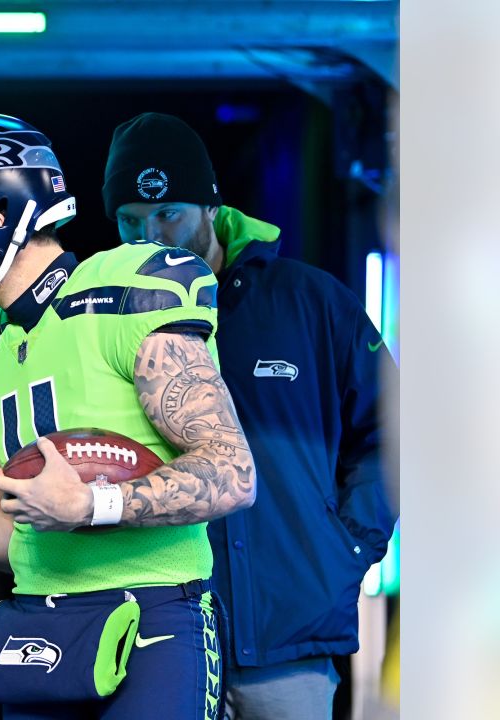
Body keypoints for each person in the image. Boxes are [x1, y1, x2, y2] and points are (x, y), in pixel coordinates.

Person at [0, 112, 258, 720]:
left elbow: (233, 472)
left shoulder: (128, 288)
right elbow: (13, 536)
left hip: (154, 612)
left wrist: (90, 506)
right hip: (42, 627)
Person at [102, 111, 397, 719]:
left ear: (211, 207)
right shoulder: (100, 322)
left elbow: (397, 432)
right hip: (158, 638)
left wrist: (346, 547)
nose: (150, 236)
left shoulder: (309, 302)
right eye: (130, 220)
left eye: (169, 214)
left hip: (288, 635)